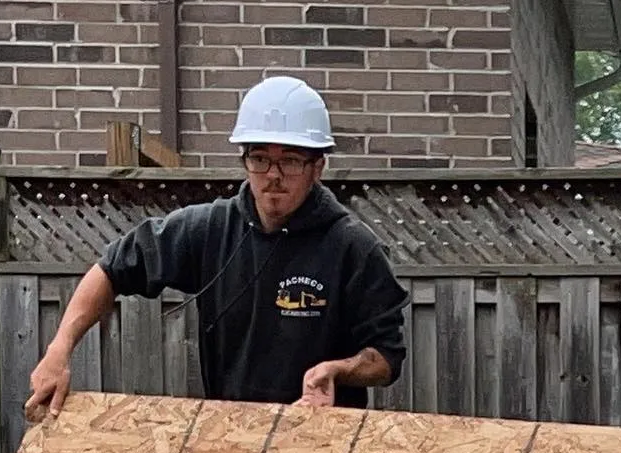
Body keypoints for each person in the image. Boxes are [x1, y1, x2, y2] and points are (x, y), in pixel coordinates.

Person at [25, 76, 407, 418]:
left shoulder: (354, 248)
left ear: (317, 167)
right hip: (229, 440)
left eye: (290, 161)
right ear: (245, 161)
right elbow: (111, 269)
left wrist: (339, 370)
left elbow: (386, 358)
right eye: (260, 159)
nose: (273, 176)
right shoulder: (210, 229)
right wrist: (59, 350)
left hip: (323, 445)